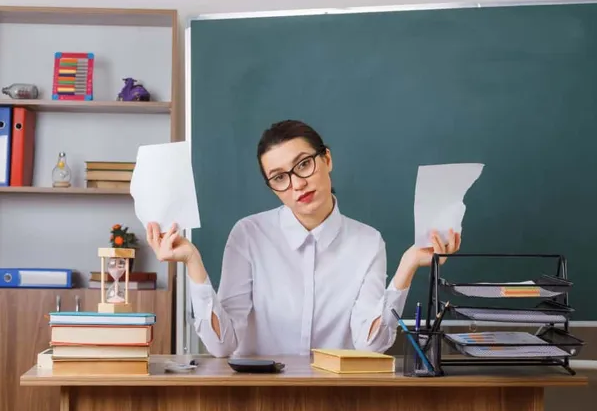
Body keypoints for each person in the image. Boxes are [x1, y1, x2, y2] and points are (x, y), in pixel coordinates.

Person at [146, 120, 461, 358]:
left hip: (334, 402)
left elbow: (370, 346)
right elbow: (222, 346)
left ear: (326, 159)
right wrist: (192, 262)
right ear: (273, 188)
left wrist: (407, 268)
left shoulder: (368, 242)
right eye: (280, 177)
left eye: (304, 165)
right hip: (256, 404)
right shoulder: (248, 235)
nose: (297, 184)